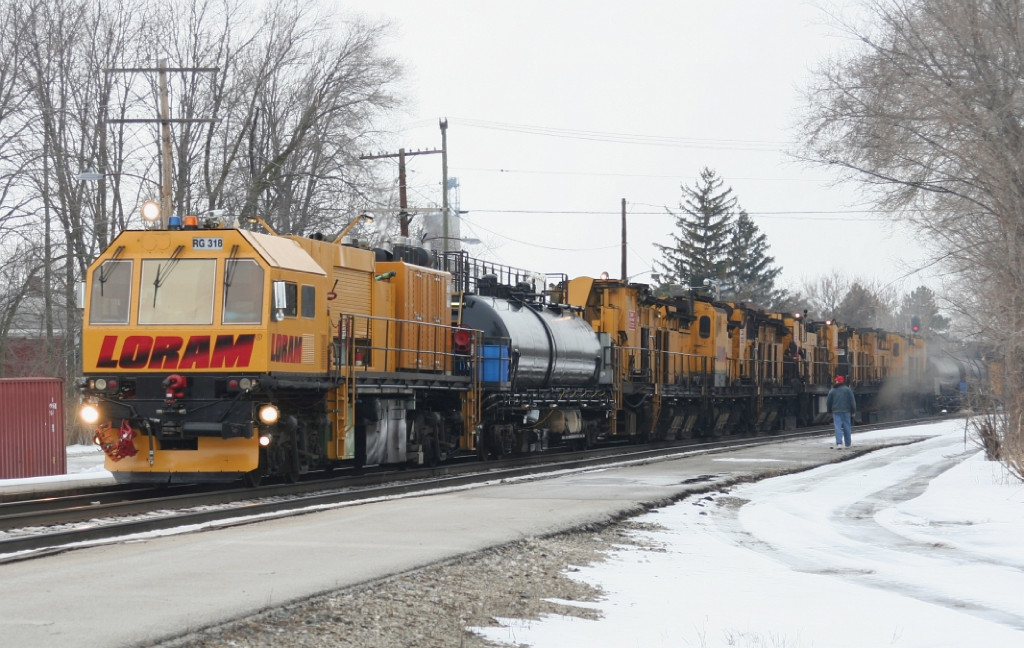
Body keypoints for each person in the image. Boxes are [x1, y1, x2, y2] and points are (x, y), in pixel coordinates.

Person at [826, 375, 857, 448]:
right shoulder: (848, 390)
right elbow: (852, 401)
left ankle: (839, 443)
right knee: (847, 426)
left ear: (837, 381)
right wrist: (853, 411)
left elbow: (828, 402)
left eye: (836, 380)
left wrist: (829, 411)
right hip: (846, 411)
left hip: (836, 411)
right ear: (842, 382)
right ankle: (848, 444)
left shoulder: (833, 390)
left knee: (838, 427)